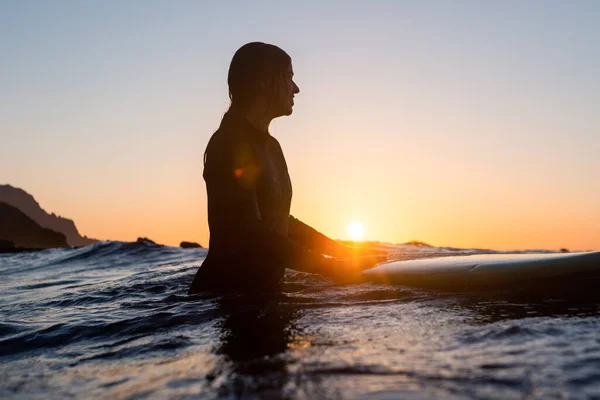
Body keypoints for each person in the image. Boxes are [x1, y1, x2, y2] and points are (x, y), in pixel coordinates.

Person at [188, 42, 383, 294]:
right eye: (289, 77)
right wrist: (331, 267)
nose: (296, 88)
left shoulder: (271, 146)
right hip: (227, 297)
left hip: (261, 294)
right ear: (263, 82)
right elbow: (251, 234)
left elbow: (280, 221)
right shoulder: (229, 145)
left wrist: (347, 254)